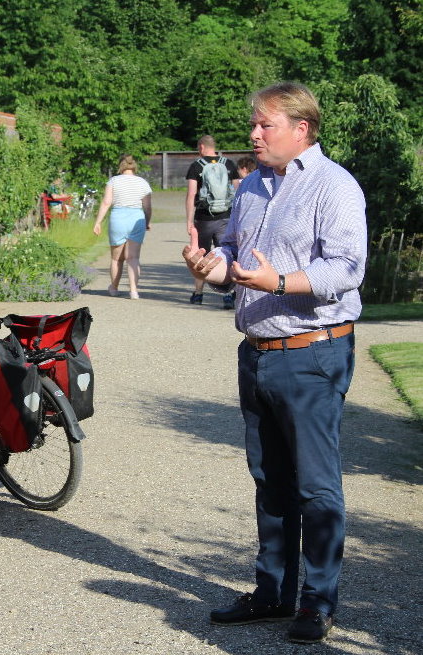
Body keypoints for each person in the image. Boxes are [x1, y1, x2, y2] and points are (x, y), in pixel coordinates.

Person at [182, 82, 367, 644]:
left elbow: (345, 270)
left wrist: (279, 281)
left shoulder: (335, 187)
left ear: (301, 128)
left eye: (265, 125)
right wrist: (210, 266)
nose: (254, 134)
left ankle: (317, 602)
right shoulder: (254, 185)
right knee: (270, 481)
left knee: (315, 486)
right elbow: (236, 255)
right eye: (254, 125)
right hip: (257, 352)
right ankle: (272, 594)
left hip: (312, 352)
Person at [184, 135, 241, 309]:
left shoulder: (196, 166)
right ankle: (229, 295)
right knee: (226, 253)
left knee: (199, 255)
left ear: (201, 147)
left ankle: (198, 293)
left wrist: (189, 220)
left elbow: (192, 194)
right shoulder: (228, 164)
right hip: (226, 217)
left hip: (204, 218)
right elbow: (238, 191)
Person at [93, 154, 152, 299]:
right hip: (136, 218)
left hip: (118, 218)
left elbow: (106, 202)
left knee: (116, 259)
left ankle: (114, 287)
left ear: (120, 166)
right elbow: (147, 206)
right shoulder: (143, 183)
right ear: (134, 166)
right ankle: (133, 290)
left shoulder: (113, 181)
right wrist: (147, 222)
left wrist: (98, 222)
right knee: (133, 258)